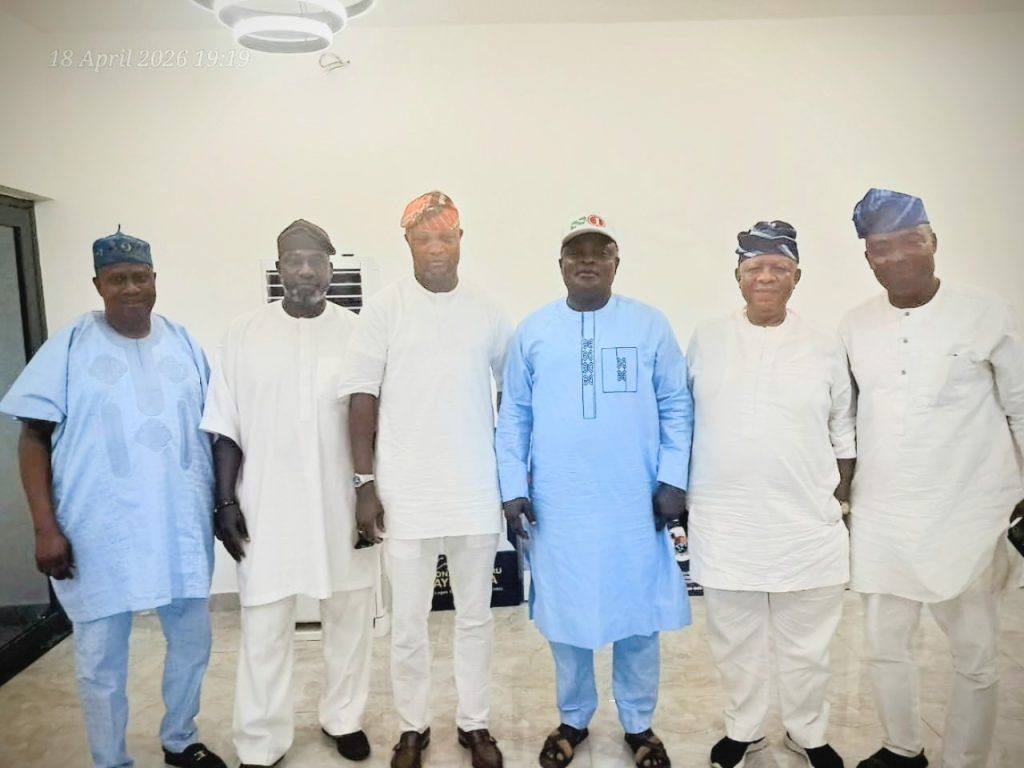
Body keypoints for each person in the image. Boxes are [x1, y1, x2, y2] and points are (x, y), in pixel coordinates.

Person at [0, 228, 225, 768]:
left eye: (139, 277)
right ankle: (110, 760)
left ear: (155, 280)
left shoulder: (182, 341)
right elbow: (32, 437)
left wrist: (223, 506)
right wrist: (45, 528)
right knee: (101, 655)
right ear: (98, 284)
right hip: (98, 529)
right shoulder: (71, 345)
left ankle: (180, 739)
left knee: (192, 641)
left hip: (179, 525)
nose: (130, 288)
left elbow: (218, 429)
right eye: (117, 278)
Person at [496, 214, 692, 768]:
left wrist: (673, 479)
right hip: (560, 504)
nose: (587, 260)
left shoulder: (649, 325)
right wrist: (512, 488)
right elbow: (514, 416)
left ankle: (639, 725)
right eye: (576, 252)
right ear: (559, 265)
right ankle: (573, 718)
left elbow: (677, 405)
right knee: (567, 616)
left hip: (635, 502)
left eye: (599, 251)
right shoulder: (534, 331)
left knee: (638, 616)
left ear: (615, 263)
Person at [840, 188, 1024, 768]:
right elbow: (845, 417)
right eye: (882, 247)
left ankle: (965, 759)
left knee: (975, 654)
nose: (898, 256)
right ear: (868, 257)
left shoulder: (987, 312)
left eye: (910, 241)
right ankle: (902, 746)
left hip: (969, 513)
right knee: (883, 646)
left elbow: (1021, 406)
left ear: (933, 240)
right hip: (883, 515)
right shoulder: (855, 324)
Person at [338, 191, 510, 768]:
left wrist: (511, 474)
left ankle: (474, 723)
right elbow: (361, 396)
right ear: (407, 242)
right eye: (424, 238)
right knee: (409, 623)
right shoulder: (384, 309)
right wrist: (364, 483)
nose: (436, 248)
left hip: (475, 491)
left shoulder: (487, 310)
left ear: (461, 240)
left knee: (476, 618)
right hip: (405, 492)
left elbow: (514, 395)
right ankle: (413, 727)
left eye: (446, 237)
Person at [200, 219, 378, 767]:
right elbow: (225, 426)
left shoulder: (359, 332)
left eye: (315, 261)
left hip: (341, 500)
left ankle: (344, 718)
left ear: (331, 269)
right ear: (278, 268)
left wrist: (371, 494)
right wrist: (225, 501)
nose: (305, 271)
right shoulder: (243, 333)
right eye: (293, 261)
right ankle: (261, 740)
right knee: (264, 622)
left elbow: (376, 422)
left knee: (350, 614)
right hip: (266, 502)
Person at [687, 220, 853, 768]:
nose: (766, 277)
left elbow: (844, 430)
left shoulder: (824, 345)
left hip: (805, 522)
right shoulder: (707, 339)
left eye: (779, 267)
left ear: (797, 276)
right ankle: (745, 730)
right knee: (736, 641)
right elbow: (682, 419)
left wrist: (840, 501)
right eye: (754, 267)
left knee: (808, 644)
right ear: (737, 276)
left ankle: (808, 733)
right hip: (726, 521)